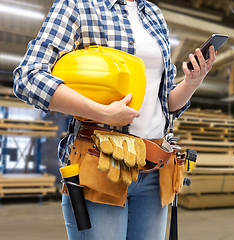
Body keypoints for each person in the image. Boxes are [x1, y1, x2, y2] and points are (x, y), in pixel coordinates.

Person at [13, 0, 216, 239]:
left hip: (153, 166)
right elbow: (28, 77)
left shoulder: (152, 13)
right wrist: (101, 113)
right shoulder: (78, 5)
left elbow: (165, 103)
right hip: (102, 165)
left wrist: (192, 83)